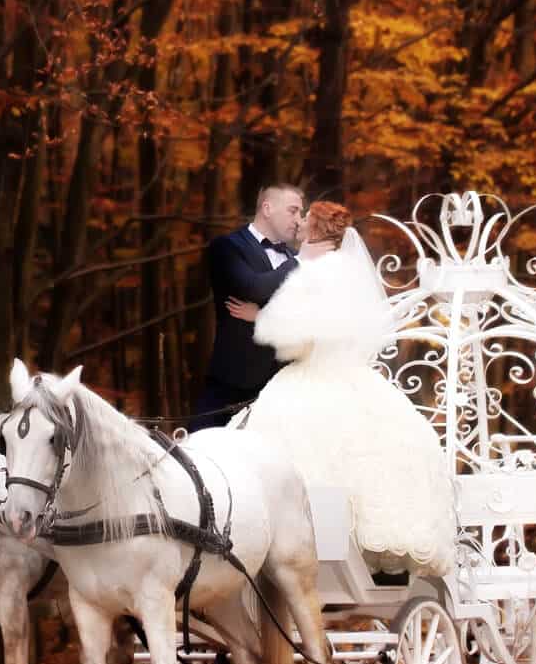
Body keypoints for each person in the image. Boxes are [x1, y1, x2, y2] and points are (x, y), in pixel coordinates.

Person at [243, 201, 456, 576]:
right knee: (373, 449)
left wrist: (265, 322)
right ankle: (361, 557)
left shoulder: (309, 274)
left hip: (310, 377)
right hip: (354, 376)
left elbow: (292, 339)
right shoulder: (351, 273)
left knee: (285, 450)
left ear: (315, 230)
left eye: (304, 220)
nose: (299, 225)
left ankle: (298, 547)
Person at [190, 183, 306, 430]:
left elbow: (304, 315)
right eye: (293, 211)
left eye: (300, 213)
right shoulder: (227, 247)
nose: (298, 220)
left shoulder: (293, 257)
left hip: (282, 383)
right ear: (267, 208)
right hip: (233, 380)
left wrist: (262, 315)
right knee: (199, 449)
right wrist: (298, 262)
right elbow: (253, 289)